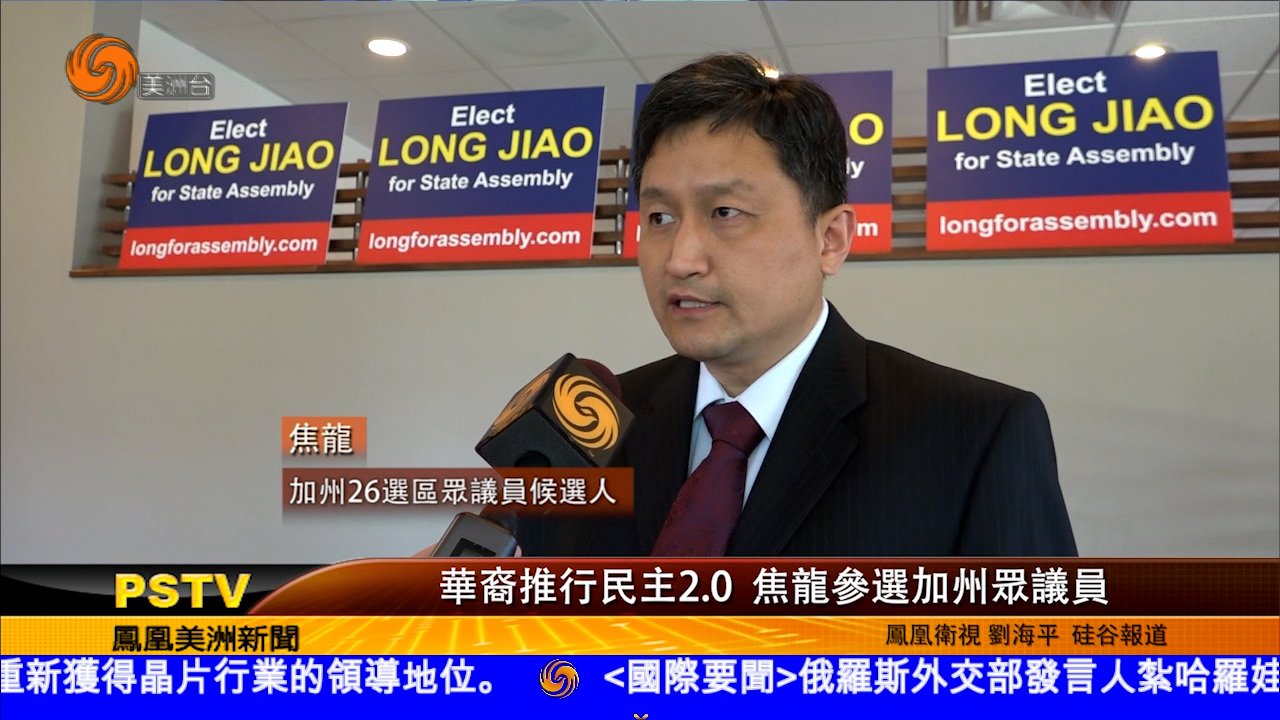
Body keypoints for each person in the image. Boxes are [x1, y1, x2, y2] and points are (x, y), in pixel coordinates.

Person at [507, 53, 1078, 557]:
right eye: (659, 217)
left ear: (830, 239)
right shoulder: (590, 421)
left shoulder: (974, 434)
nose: (680, 259)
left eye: (725, 213)